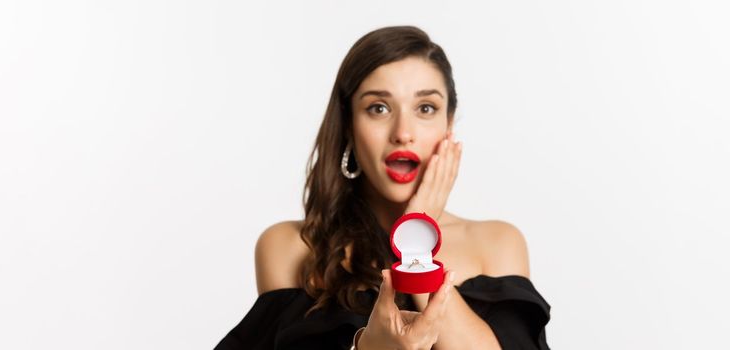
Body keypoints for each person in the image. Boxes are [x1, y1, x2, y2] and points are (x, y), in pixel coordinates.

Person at [215, 25, 550, 350]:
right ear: (348, 125)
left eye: (425, 108)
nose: (403, 132)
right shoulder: (289, 248)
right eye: (378, 108)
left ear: (448, 124)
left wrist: (417, 234)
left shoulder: (497, 244)